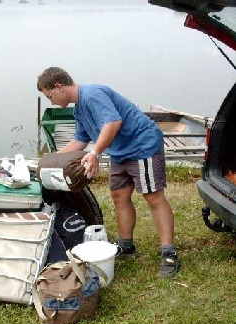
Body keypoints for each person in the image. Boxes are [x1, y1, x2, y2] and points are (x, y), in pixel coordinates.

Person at [37, 67, 179, 277]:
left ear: (59, 86)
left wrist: (95, 153)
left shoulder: (93, 94)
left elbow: (113, 121)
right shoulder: (78, 110)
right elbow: (79, 141)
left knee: (153, 197)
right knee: (119, 196)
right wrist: (50, 160)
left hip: (142, 145)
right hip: (120, 152)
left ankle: (168, 252)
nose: (51, 102)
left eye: (50, 96)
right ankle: (126, 245)